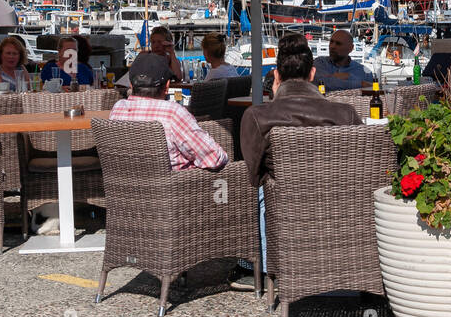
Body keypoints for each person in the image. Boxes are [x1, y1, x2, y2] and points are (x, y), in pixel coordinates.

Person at [238, 38, 361, 289]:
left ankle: (264, 266)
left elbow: (253, 176)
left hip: (283, 221)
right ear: (313, 73)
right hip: (336, 217)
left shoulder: (257, 117)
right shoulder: (345, 114)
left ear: (276, 75)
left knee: (259, 190)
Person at [109, 52, 228, 171]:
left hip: (122, 186)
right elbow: (214, 159)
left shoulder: (118, 109)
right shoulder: (172, 113)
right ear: (166, 86)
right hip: (176, 187)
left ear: (131, 84)